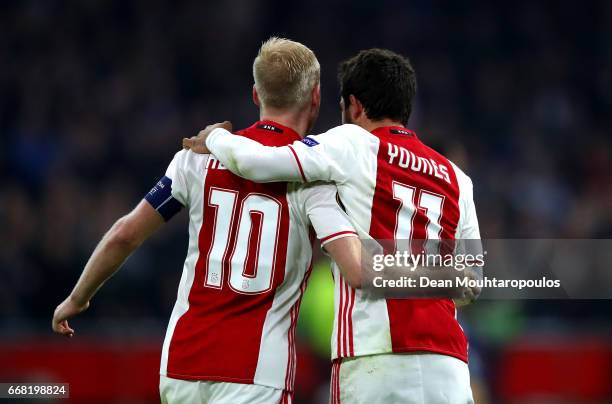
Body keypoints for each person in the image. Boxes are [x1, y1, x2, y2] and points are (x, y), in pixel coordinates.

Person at [52, 37, 365, 404]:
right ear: (315, 99)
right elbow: (355, 265)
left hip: (181, 366)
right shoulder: (313, 177)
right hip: (255, 374)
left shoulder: (196, 158)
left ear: (255, 95)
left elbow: (125, 235)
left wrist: (77, 298)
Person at [184, 48, 481, 403]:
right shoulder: (457, 177)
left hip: (373, 356)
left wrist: (216, 138)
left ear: (353, 106)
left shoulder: (351, 142)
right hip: (448, 364)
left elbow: (256, 162)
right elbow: (472, 283)